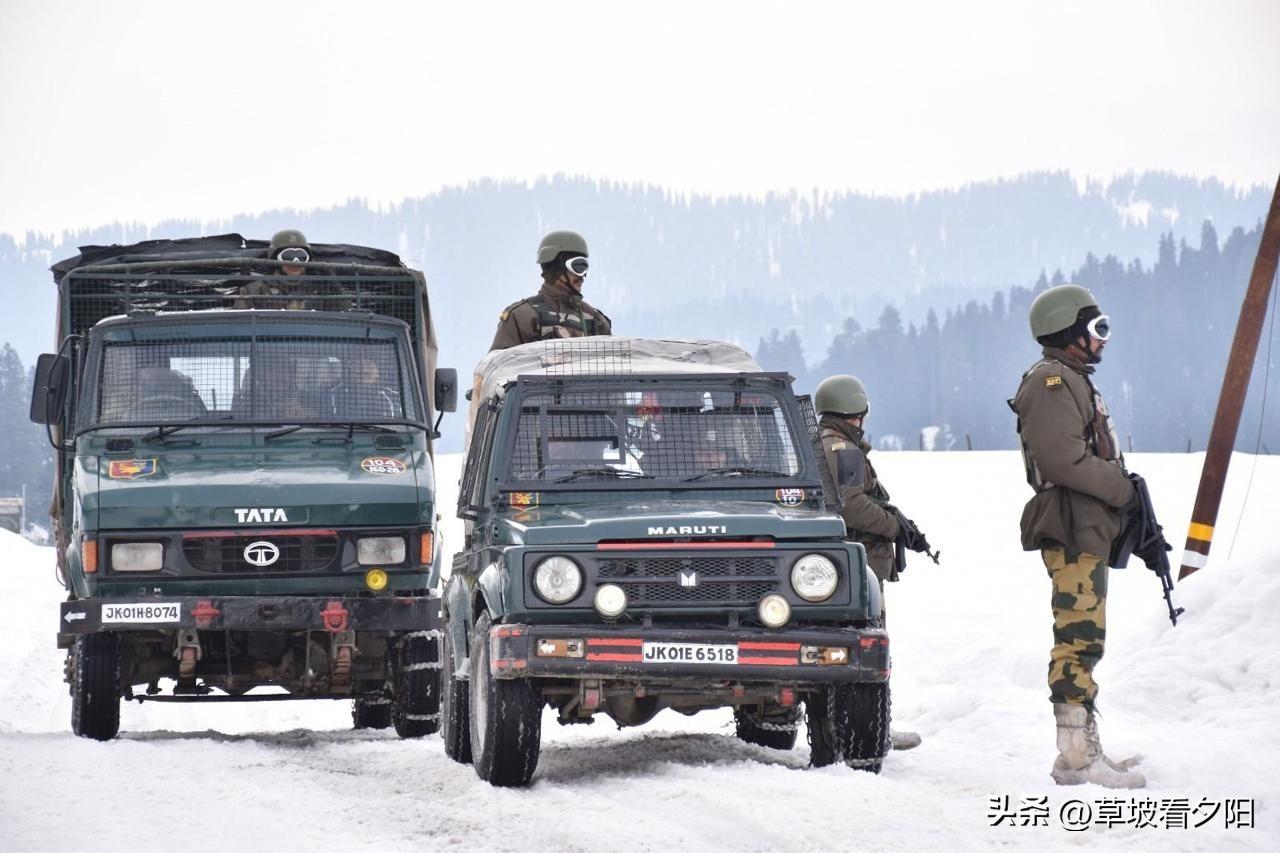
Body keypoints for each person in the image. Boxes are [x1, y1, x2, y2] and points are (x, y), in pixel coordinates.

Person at [1010, 283, 1145, 788]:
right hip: (1069, 520)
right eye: (1097, 330)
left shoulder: (1070, 378)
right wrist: (1122, 491)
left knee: (1086, 637)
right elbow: (1062, 459)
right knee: (1077, 637)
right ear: (1069, 332)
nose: (1103, 341)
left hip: (1084, 520)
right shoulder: (1050, 381)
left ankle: (1083, 745)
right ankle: (1073, 756)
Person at [814, 373, 932, 751]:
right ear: (855, 411)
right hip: (857, 563)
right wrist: (894, 526)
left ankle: (849, 726)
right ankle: (869, 728)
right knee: (867, 647)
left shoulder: (824, 444)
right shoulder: (841, 449)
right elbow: (851, 505)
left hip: (838, 566)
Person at [489, 230, 612, 350]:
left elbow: (612, 366)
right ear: (556, 268)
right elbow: (499, 366)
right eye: (578, 267)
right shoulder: (522, 317)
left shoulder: (596, 321)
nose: (583, 276)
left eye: (585, 267)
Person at [235, 229, 317, 309]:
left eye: (301, 256)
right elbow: (238, 319)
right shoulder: (255, 290)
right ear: (275, 259)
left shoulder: (319, 289)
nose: (295, 262)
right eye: (287, 256)